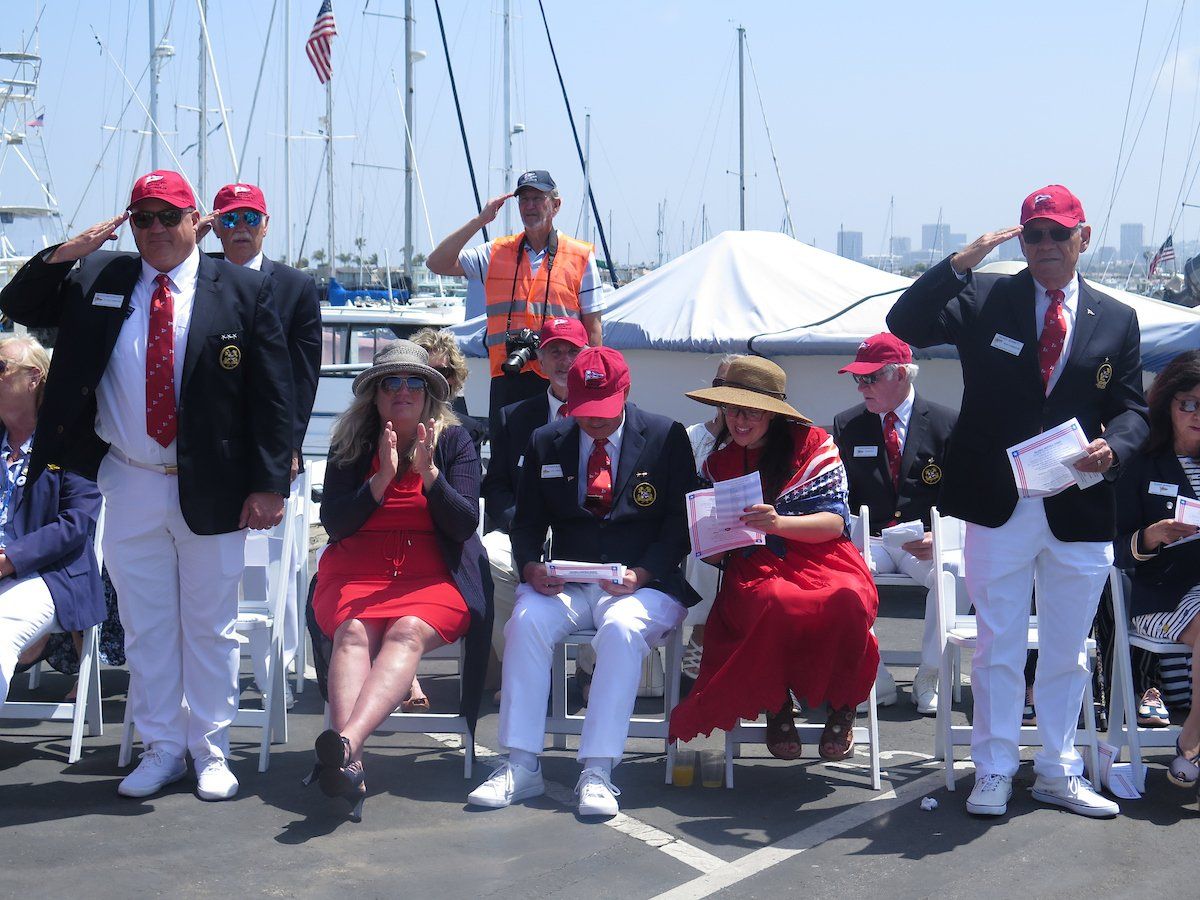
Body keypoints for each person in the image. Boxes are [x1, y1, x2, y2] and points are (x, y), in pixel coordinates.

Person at [0, 170, 294, 802]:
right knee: (146, 626)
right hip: (128, 478)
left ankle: (211, 749)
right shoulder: (98, 278)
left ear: (195, 221)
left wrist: (270, 483)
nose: (155, 229)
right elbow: (19, 304)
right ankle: (162, 746)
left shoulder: (243, 290)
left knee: (210, 626)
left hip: (214, 487)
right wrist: (68, 250)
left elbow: (274, 396)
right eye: (142, 218)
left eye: (168, 216)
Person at [887, 184, 1149, 819]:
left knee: (1068, 651)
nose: (1046, 245)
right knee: (997, 645)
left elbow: (1133, 410)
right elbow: (905, 324)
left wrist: (1114, 447)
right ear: (1021, 240)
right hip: (998, 503)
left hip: (1079, 503)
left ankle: (1058, 769)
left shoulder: (1116, 318)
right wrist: (961, 262)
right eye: (1034, 234)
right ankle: (995, 767)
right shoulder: (983, 297)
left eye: (1059, 233)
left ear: (1084, 237)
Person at [467, 347, 697, 818]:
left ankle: (598, 768)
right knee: (525, 621)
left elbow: (680, 524)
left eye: (604, 410)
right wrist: (530, 566)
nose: (594, 421)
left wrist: (643, 573)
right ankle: (520, 763)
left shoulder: (665, 435)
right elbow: (527, 522)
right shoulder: (546, 439)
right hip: (570, 582)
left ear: (626, 392)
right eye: (584, 410)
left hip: (645, 583)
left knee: (622, 629)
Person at [308, 341, 492, 820]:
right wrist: (381, 480)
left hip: (433, 574)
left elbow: (464, 525)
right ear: (376, 393)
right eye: (392, 382)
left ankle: (344, 746)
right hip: (355, 569)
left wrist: (429, 475)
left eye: (414, 382)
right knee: (351, 631)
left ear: (429, 393)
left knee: (406, 630)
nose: (403, 391)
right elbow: (336, 524)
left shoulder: (454, 441)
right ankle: (353, 767)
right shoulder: (351, 442)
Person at [668, 356, 880, 762]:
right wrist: (711, 542)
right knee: (773, 601)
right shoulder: (717, 464)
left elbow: (835, 524)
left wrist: (778, 523)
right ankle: (776, 702)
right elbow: (715, 547)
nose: (739, 421)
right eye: (732, 410)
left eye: (752, 412)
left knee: (847, 599)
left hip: (825, 556)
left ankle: (843, 705)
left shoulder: (815, 446)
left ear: (773, 414)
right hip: (756, 563)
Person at [207, 181, 322, 707]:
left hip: (269, 453)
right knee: (211, 572)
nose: (240, 228)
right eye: (229, 219)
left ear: (266, 223)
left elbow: (301, 378)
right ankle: (213, 677)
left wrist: (287, 450)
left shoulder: (295, 287)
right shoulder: (198, 277)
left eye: (250, 217)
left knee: (269, 570)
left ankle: (272, 672)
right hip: (207, 451)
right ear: (213, 226)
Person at [832, 332, 960, 714]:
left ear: (901, 375)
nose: (861, 387)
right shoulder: (846, 424)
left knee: (954, 573)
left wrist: (941, 535)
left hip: (923, 540)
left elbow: (964, 495)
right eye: (858, 379)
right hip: (869, 539)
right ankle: (874, 678)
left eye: (869, 378)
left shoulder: (946, 423)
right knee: (841, 581)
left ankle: (930, 674)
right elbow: (837, 495)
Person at [425, 170, 603, 426]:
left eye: (537, 198)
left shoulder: (580, 256)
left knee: (558, 448)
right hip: (508, 374)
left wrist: (592, 382)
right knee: (507, 450)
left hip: (561, 377)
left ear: (555, 205)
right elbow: (436, 263)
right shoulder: (495, 252)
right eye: (524, 199)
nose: (530, 206)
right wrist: (481, 220)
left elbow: (593, 328)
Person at [479, 316, 586, 693]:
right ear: (539, 359)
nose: (564, 361)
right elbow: (497, 486)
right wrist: (521, 524)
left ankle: (590, 671)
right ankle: (527, 669)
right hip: (526, 530)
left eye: (572, 352)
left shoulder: (608, 415)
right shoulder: (514, 417)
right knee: (488, 555)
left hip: (588, 534)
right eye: (555, 351)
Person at [0, 336, 105, 714]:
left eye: (0, 367)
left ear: (34, 377)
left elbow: (75, 523)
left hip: (50, 573)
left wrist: (9, 559)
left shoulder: (70, 441)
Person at [1114, 349, 1200, 795]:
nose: (1198, 415)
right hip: (1160, 595)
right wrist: (1150, 536)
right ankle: (1192, 739)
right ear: (1168, 404)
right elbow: (1112, 546)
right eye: (1189, 403)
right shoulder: (1141, 463)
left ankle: (1193, 734)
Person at [680, 354, 740, 680]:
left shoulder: (759, 438)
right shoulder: (692, 437)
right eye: (720, 384)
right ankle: (702, 634)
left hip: (748, 526)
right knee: (705, 544)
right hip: (699, 529)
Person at [411, 326, 487, 457]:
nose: (433, 379)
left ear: (453, 378)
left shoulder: (469, 431)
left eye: (441, 372)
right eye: (423, 372)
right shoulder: (389, 424)